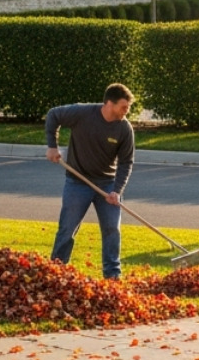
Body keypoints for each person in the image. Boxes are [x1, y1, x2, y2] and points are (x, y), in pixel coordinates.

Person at [45, 84, 136, 280]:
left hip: (107, 184)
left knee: (112, 228)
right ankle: (56, 271)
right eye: (123, 107)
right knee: (67, 228)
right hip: (77, 182)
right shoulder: (82, 113)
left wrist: (117, 191)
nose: (126, 111)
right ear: (109, 104)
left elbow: (126, 162)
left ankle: (112, 275)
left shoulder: (124, 129)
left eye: (127, 107)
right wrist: (52, 146)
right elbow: (53, 115)